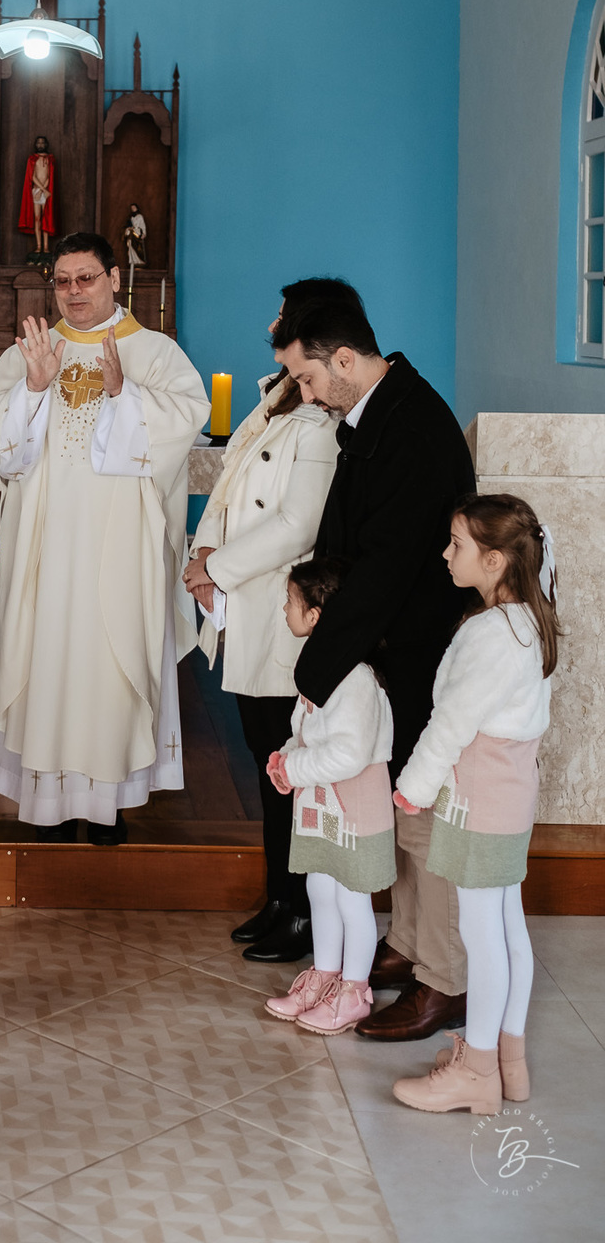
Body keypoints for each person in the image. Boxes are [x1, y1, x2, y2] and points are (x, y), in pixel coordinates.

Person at [273, 294, 476, 1042]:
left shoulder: (413, 426)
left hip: (420, 654)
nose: (306, 393)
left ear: (346, 359)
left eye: (307, 377)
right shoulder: (375, 413)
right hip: (389, 652)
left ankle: (443, 981)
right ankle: (409, 946)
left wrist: (319, 666)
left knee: (425, 822)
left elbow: (390, 565)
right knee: (403, 812)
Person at [0, 231, 210, 842]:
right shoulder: (31, 350)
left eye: (87, 278)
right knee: (47, 656)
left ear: (114, 280)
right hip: (44, 548)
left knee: (111, 659)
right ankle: (45, 799)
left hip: (120, 548)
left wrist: (124, 393)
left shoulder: (155, 353)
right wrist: (35, 386)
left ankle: (107, 804)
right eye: (64, 281)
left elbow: (183, 421)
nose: (74, 292)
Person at [184, 277, 355, 964]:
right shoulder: (272, 397)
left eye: (283, 315)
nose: (272, 323)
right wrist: (203, 550)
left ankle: (304, 909)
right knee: (264, 758)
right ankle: (278, 897)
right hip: (245, 604)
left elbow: (296, 524)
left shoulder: (317, 420)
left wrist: (218, 567)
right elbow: (228, 490)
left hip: (281, 608)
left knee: (289, 762)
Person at [391, 496, 557, 1115]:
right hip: (510, 799)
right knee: (508, 927)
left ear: (493, 560)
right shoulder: (529, 621)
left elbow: (450, 724)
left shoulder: (492, 635)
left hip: (480, 802)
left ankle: (478, 1070)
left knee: (483, 933)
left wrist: (413, 787)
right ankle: (506, 1059)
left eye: (456, 544)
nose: (445, 553)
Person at [264, 558, 395, 1036]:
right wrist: (287, 757)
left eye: (291, 602)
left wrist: (296, 766)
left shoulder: (355, 677)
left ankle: (355, 989)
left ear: (315, 616)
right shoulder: (321, 669)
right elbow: (308, 733)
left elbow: (349, 753)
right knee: (320, 889)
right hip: (323, 806)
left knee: (352, 898)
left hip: (354, 805)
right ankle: (325, 973)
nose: (284, 609)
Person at [19, 136, 55, 256]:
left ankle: (46, 246)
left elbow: (49, 177)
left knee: (45, 218)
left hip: (46, 192)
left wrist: (44, 190)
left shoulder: (50, 159)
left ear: (46, 144)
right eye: (38, 143)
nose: (40, 145)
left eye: (42, 142)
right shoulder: (32, 159)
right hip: (37, 191)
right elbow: (32, 176)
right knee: (37, 219)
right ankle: (38, 246)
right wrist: (41, 189)